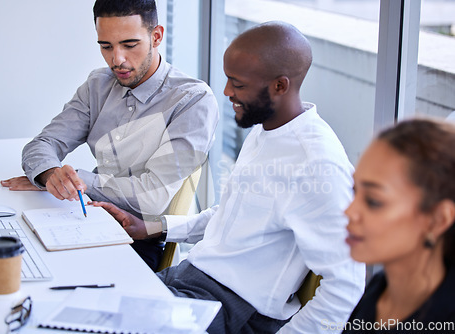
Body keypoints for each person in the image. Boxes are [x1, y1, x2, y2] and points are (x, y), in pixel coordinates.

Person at [91, 21, 365, 333]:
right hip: (191, 279)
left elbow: (346, 286)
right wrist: (151, 228)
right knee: (82, 303)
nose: (226, 92)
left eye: (238, 84)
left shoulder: (316, 164)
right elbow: (231, 217)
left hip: (234, 309)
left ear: (280, 86)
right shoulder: (267, 129)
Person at [0, 0, 219, 271]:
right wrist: (50, 174)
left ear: (157, 36)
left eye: (129, 45)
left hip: (135, 237)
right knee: (13, 255)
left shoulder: (192, 100)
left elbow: (152, 196)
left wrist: (78, 180)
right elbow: (44, 144)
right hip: (84, 215)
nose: (117, 60)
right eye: (106, 46)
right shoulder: (98, 84)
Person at [343, 118, 455, 333]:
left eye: (374, 201)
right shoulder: (378, 290)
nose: (349, 212)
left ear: (438, 219)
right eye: (354, 192)